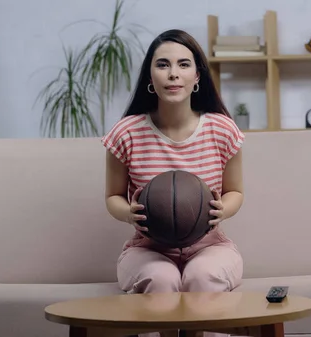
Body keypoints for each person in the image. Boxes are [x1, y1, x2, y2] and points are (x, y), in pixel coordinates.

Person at [102, 29, 245, 337]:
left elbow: (236, 191)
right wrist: (128, 213)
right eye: (163, 64)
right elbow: (112, 196)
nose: (173, 74)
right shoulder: (126, 133)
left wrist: (224, 210)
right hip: (147, 248)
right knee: (161, 277)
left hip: (210, 246)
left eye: (183, 65)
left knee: (202, 276)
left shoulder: (223, 130)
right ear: (150, 78)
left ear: (197, 77)